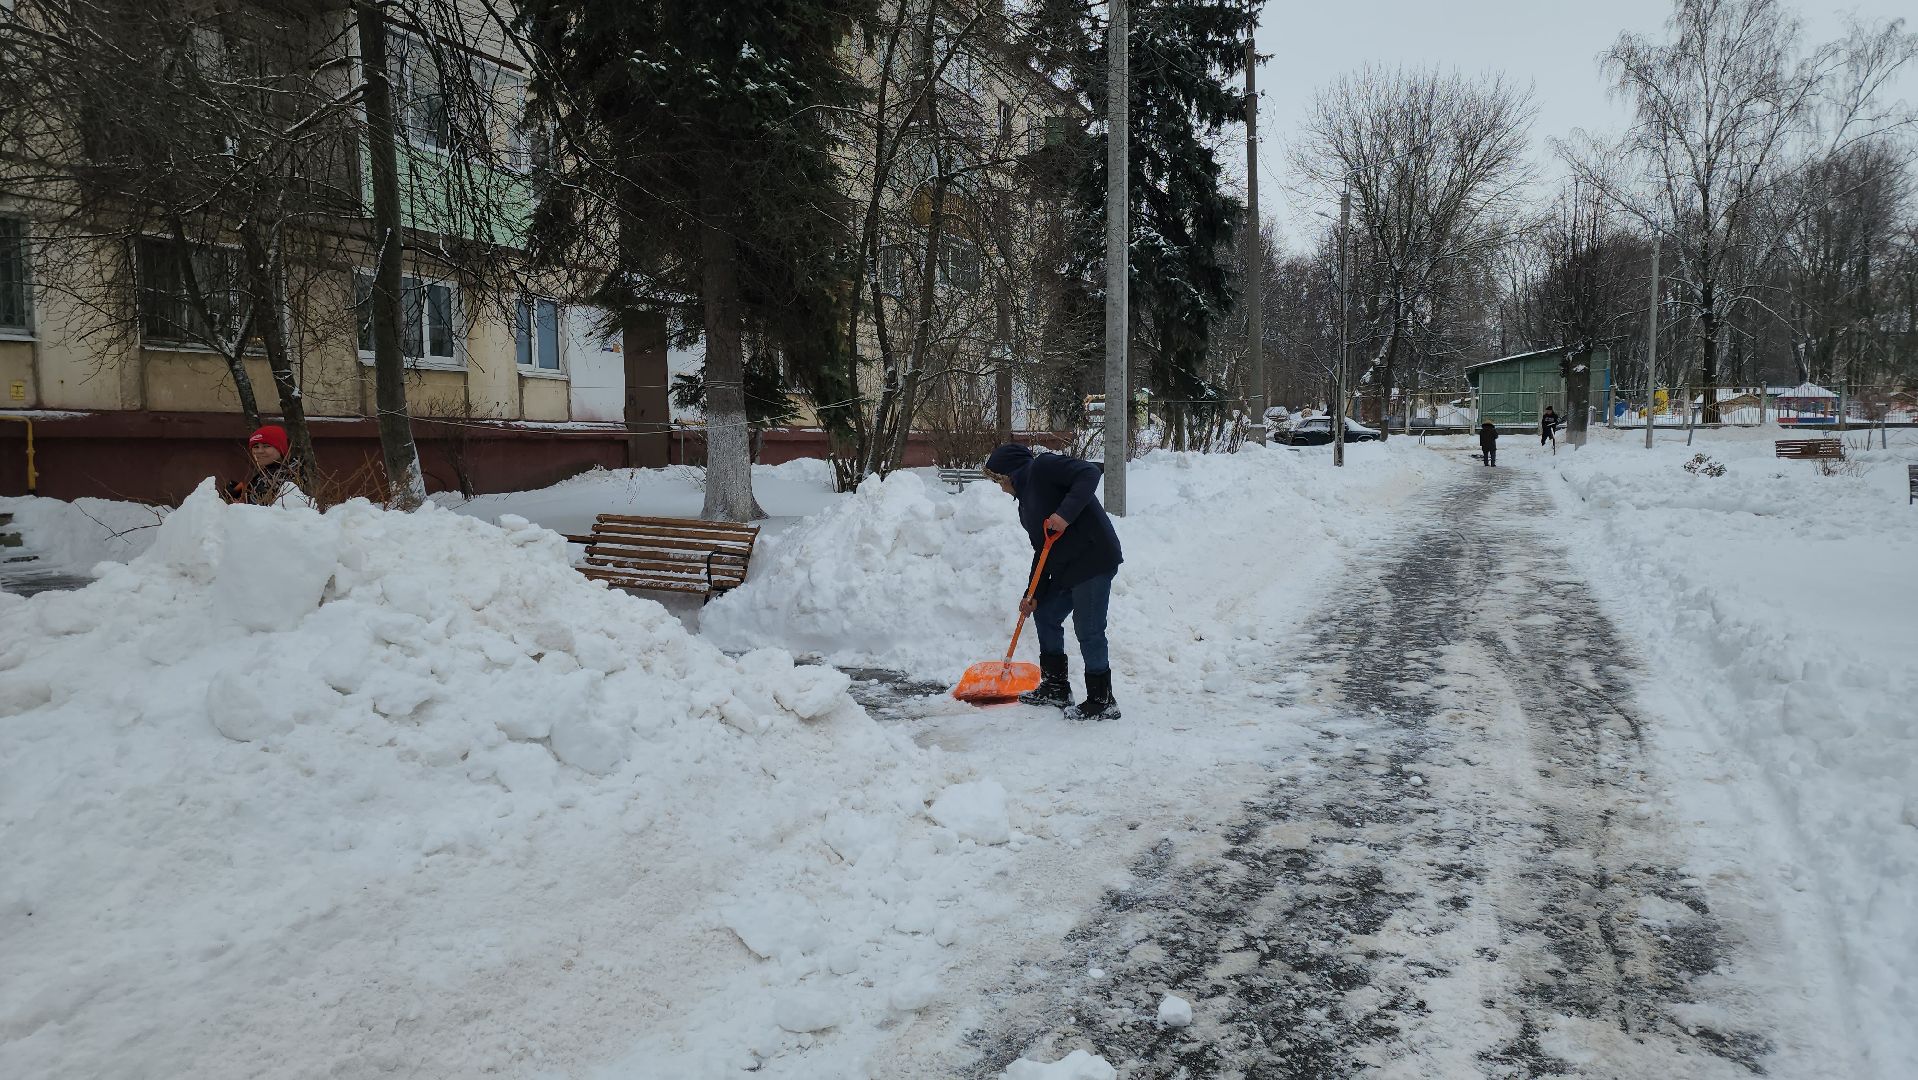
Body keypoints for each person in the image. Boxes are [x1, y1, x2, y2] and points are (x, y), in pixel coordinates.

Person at [981, 443, 1123, 721]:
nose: (999, 487)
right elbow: (1042, 549)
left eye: (998, 479)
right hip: (1067, 567)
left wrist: (1065, 514)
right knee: (1045, 613)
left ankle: (1102, 699)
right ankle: (1056, 687)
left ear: (1011, 473)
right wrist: (1033, 592)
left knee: (1089, 628)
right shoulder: (1025, 505)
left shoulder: (1043, 468)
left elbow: (1089, 473)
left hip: (1094, 558)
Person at [224, 424, 314, 508]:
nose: (260, 451)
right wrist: (242, 491)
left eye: (266, 446)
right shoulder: (268, 472)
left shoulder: (288, 475)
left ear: (281, 449)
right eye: (255, 447)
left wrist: (244, 506)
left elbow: (268, 510)